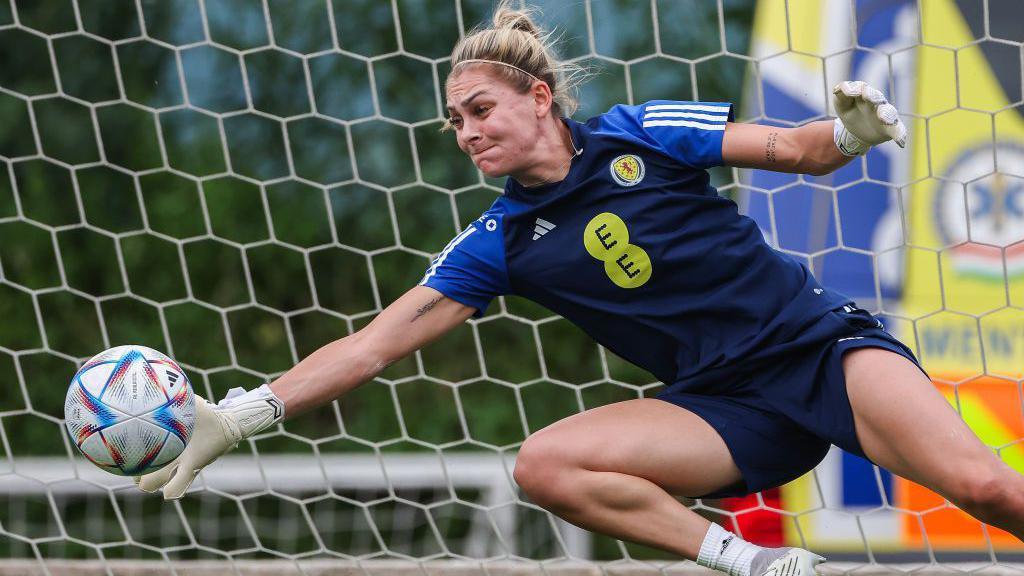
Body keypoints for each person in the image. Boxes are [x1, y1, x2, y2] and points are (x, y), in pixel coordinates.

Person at [137, 4, 1024, 575]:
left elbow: (796, 151)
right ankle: (763, 566)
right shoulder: (499, 241)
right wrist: (240, 414)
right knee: (544, 466)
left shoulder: (641, 134)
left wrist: (852, 129)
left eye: (479, 109)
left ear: (540, 99)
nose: (465, 132)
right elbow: (373, 344)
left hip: (819, 352)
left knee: (985, 488)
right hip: (722, 408)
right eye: (454, 121)